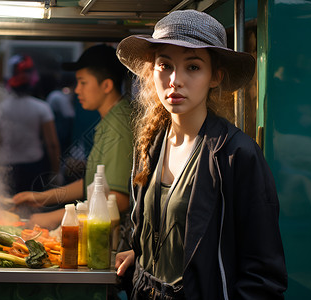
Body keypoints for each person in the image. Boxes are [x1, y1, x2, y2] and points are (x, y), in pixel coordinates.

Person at [114, 10, 287, 300]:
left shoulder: (236, 155)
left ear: (215, 76)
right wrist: (142, 257)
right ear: (151, 70)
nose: (175, 80)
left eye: (192, 67)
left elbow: (263, 277)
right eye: (165, 65)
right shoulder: (150, 144)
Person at [13, 44, 133, 230]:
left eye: (83, 82)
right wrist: (43, 198)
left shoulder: (119, 126)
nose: (77, 90)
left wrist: (53, 218)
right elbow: (91, 183)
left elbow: (119, 201)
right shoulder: (111, 119)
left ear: (107, 85)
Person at [0, 54, 61, 198]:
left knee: (5, 207)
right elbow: (52, 143)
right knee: (32, 207)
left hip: (5, 166)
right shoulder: (42, 108)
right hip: (33, 167)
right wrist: (56, 172)